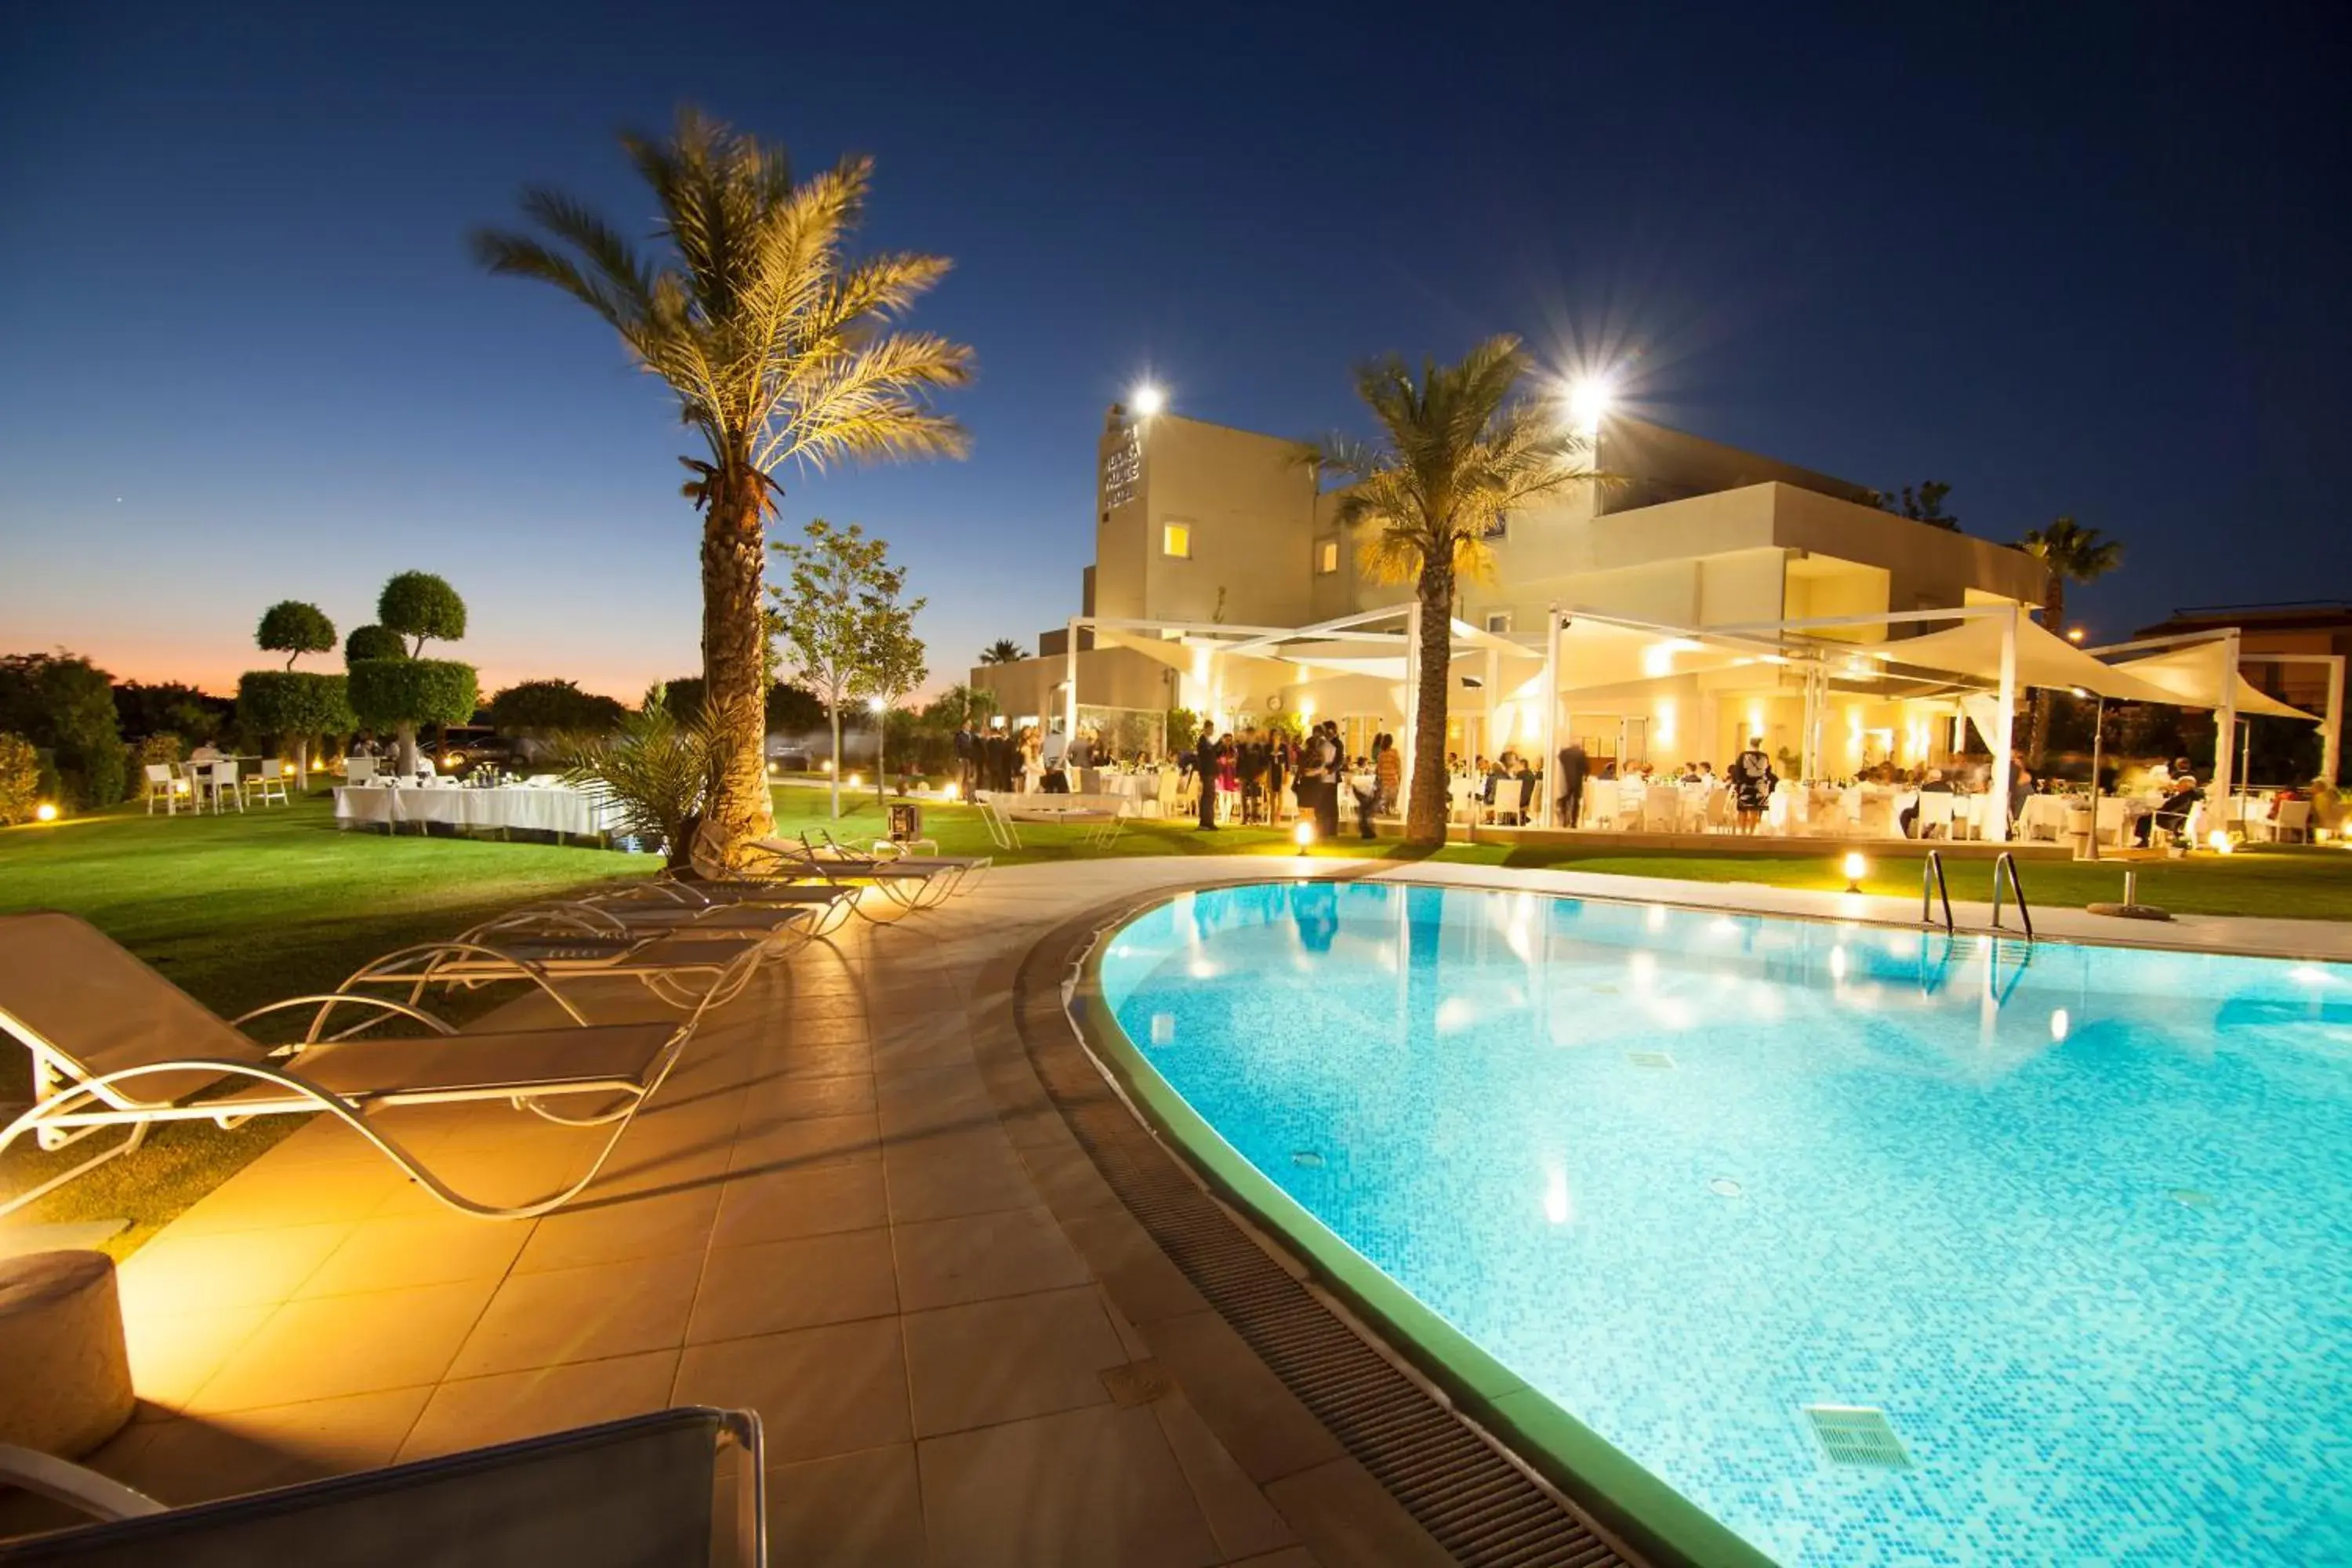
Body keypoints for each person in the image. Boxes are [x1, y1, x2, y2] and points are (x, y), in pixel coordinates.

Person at [2136, 774, 2201, 846]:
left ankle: (2145, 840)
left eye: (2180, 785)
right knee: (2146, 817)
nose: (2177, 786)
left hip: (2171, 819)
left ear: (2186, 786)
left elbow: (2177, 809)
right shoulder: (2187, 796)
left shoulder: (2186, 797)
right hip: (2171, 816)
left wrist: (2160, 812)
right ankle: (2145, 839)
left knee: (2144, 819)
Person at [1728, 736, 1775, 836]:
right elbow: (1767, 771)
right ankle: (1752, 832)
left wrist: (1737, 782)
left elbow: (1738, 770)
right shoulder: (1764, 756)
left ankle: (1743, 831)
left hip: (1745, 785)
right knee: (1755, 809)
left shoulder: (1744, 755)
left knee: (1743, 809)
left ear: (1750, 743)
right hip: (1759, 786)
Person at [1193, 725, 1223, 830]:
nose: (1212, 731)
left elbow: (1213, 754)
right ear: (1206, 729)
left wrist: (1221, 747)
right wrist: (1219, 743)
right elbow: (1207, 754)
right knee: (1207, 797)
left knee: (1210, 797)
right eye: (1210, 729)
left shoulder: (1207, 742)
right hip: (1207, 772)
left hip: (1211, 772)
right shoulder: (1202, 741)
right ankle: (1205, 822)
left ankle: (1209, 821)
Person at [1555, 740, 1589, 828]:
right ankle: (1573, 822)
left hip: (1565, 779)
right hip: (1577, 781)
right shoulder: (1581, 753)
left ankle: (1563, 809)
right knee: (1576, 801)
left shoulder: (1563, 753)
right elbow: (1587, 769)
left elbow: (1559, 761)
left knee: (1566, 796)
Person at [1348, 756, 1378, 840]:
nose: (1367, 765)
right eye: (1366, 763)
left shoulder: (1364, 771)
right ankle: (1367, 832)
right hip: (1362, 793)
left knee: (1364, 813)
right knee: (1364, 813)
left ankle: (1367, 832)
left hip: (1364, 793)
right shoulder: (1358, 772)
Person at [1373, 732, 1401, 817]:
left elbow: (1379, 769)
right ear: (1391, 742)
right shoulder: (1394, 752)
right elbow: (1398, 766)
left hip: (1384, 781)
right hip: (1393, 780)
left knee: (1386, 804)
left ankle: (1386, 814)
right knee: (1393, 803)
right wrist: (1399, 778)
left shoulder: (1381, 754)